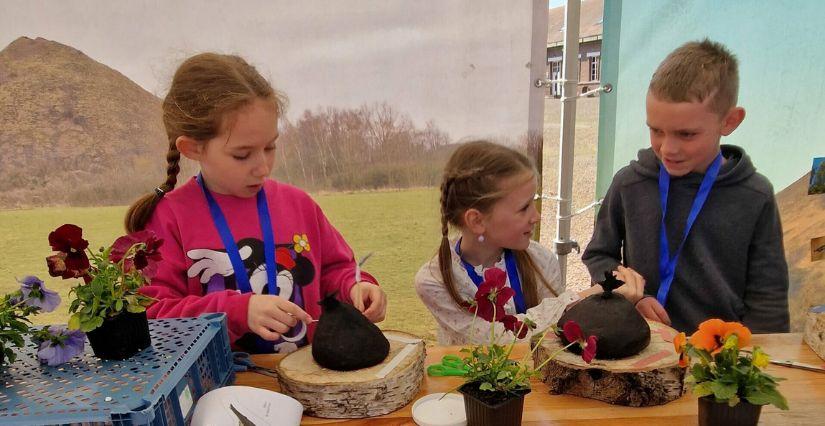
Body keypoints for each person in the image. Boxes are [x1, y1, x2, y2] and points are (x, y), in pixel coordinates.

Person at [124, 53, 386, 353]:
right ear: (193, 148)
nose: (263, 166)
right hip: (218, 391)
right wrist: (237, 311)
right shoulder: (168, 218)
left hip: (308, 380)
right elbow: (151, 315)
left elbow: (334, 270)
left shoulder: (298, 205)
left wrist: (356, 286)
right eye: (242, 154)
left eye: (270, 147)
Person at [582, 39, 789, 333]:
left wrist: (759, 365)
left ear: (729, 121)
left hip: (721, 360)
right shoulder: (630, 183)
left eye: (686, 134)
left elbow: (768, 297)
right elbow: (599, 256)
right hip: (644, 346)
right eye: (656, 130)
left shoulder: (755, 195)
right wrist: (631, 297)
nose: (668, 148)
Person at [414, 141, 644, 345]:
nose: (536, 216)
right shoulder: (436, 282)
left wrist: (604, 301)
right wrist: (587, 297)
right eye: (524, 208)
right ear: (477, 221)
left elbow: (554, 335)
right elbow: (496, 340)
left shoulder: (541, 261)